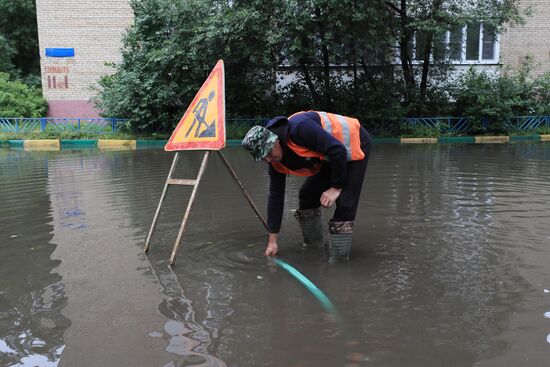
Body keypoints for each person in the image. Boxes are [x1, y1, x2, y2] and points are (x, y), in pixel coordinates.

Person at [242, 111, 372, 262]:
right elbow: (275, 197)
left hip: (354, 145)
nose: (269, 159)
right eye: (263, 157)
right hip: (332, 156)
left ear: (275, 140)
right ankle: (313, 247)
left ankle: (338, 261)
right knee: (307, 195)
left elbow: (338, 150)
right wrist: (272, 241)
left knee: (345, 201)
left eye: (268, 153)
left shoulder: (300, 128)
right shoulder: (275, 162)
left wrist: (336, 188)